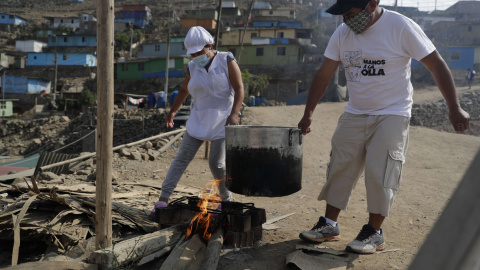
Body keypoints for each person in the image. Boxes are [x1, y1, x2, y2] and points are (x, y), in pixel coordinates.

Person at [297, 0, 470, 254]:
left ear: (372, 4)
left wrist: (454, 107)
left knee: (382, 171)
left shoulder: (400, 26)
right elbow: (324, 74)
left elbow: (435, 64)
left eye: (350, 14)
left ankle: (374, 232)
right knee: (340, 165)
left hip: (393, 112)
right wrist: (308, 113)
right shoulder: (342, 33)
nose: (346, 20)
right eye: (342, 15)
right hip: (355, 112)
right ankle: (329, 225)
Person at [151, 26, 245, 216]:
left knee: (216, 164)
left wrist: (235, 113)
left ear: (209, 46)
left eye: (198, 52)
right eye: (192, 54)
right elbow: (184, 90)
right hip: (199, 118)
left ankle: (226, 200)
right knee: (181, 159)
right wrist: (172, 111)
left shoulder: (226, 59)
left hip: (223, 119)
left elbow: (239, 87)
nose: (195, 56)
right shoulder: (193, 66)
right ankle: (162, 200)